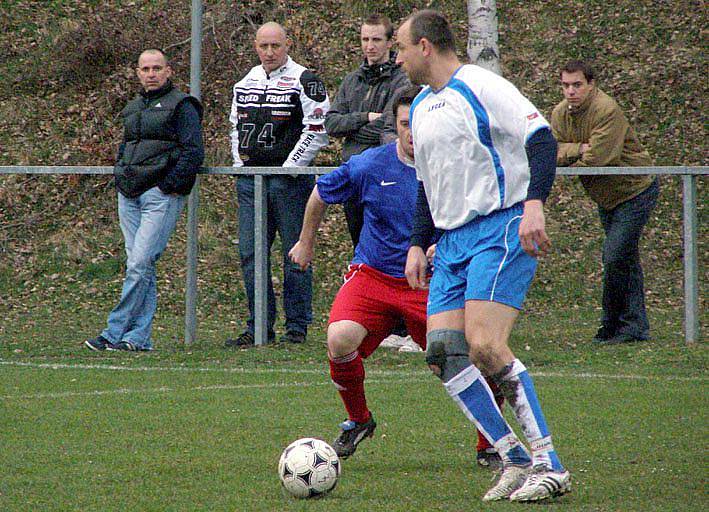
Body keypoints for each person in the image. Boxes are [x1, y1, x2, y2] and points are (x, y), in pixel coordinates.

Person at [396, 10, 570, 502]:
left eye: (402, 48)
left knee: (486, 346)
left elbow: (540, 139)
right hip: (450, 243)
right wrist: (416, 242)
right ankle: (513, 457)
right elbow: (426, 187)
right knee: (442, 354)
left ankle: (549, 464)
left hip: (499, 227)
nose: (399, 57)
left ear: (426, 46)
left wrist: (534, 202)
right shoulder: (424, 107)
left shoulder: (482, 85)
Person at [290, 86, 429, 459]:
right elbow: (321, 192)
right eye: (405, 124)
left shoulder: (452, 167)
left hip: (431, 281)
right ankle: (359, 420)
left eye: (420, 122)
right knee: (339, 340)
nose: (413, 132)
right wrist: (306, 243)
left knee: (461, 357)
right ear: (394, 126)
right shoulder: (371, 164)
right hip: (374, 276)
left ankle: (490, 443)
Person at [84, 49, 204, 352]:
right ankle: (138, 338)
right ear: (137, 72)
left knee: (139, 263)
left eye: (156, 68)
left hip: (158, 196)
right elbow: (127, 147)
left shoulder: (183, 105)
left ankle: (113, 332)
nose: (151, 74)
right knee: (141, 266)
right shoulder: (134, 107)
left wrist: (169, 186)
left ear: (168, 71)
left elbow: (193, 152)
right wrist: (121, 175)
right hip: (129, 195)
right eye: (145, 68)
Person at [226, 22, 330, 347]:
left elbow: (318, 127)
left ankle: (296, 328)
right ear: (255, 47)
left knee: (295, 252)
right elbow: (234, 126)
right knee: (251, 254)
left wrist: (291, 167)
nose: (270, 52)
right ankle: (259, 327)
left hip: (290, 183)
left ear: (288, 44)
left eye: (276, 46)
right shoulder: (244, 82)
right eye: (263, 46)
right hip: (251, 182)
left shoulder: (305, 79)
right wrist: (240, 165)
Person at [551, 60, 659, 345]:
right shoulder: (560, 113)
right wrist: (578, 149)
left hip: (635, 190)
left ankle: (612, 324)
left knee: (615, 256)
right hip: (607, 197)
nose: (571, 91)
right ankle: (631, 326)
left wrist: (574, 153)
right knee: (624, 259)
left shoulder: (607, 109)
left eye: (577, 85)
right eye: (565, 85)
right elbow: (552, 150)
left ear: (591, 84)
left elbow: (599, 159)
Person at [324, 14, 410, 249]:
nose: (369, 46)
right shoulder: (352, 80)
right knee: (358, 245)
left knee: (386, 245)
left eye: (376, 39)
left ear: (389, 43)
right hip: (354, 174)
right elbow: (331, 124)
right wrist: (364, 118)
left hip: (385, 175)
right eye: (365, 39)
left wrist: (352, 130)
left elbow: (389, 126)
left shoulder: (401, 80)